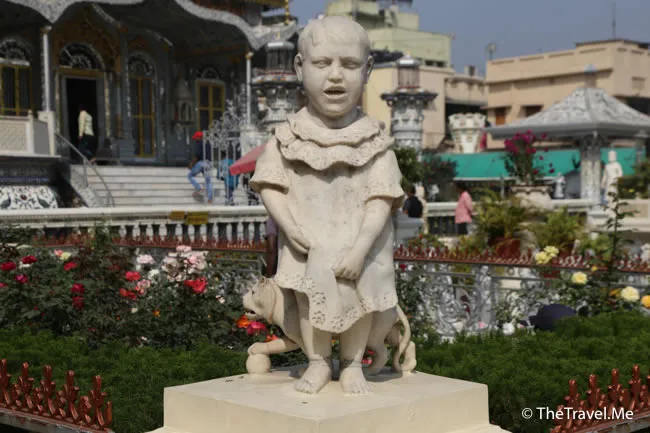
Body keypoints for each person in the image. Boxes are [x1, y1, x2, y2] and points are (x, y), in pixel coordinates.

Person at [250, 16, 404, 395]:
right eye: (322, 63)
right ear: (300, 68)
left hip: (361, 246)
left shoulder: (376, 140)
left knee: (360, 302)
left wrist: (361, 247)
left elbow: (382, 197)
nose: (335, 76)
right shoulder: (288, 135)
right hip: (309, 242)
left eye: (349, 64)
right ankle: (318, 362)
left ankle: (352, 363)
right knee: (309, 302)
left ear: (367, 70)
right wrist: (289, 227)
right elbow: (269, 183)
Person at [187, 131, 213, 204]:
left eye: (196, 138)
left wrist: (191, 164)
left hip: (201, 163)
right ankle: (210, 199)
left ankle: (198, 188)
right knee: (208, 181)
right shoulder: (208, 144)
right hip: (208, 163)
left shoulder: (199, 144)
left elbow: (197, 156)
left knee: (190, 176)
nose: (195, 140)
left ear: (199, 138)